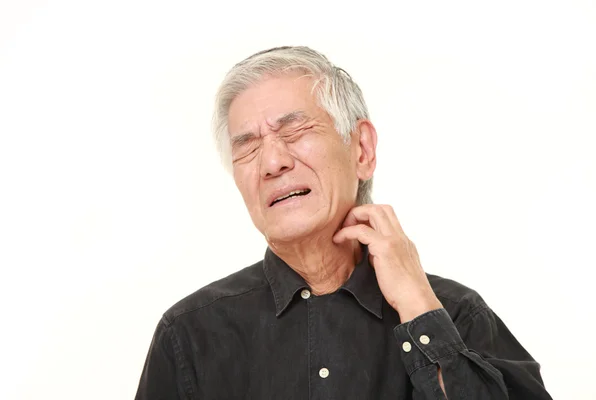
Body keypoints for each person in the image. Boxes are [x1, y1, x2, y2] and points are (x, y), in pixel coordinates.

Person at [134, 46, 553, 399]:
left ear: (362, 150)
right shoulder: (189, 334)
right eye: (248, 147)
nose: (273, 162)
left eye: (295, 131)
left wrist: (419, 308)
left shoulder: (458, 315)